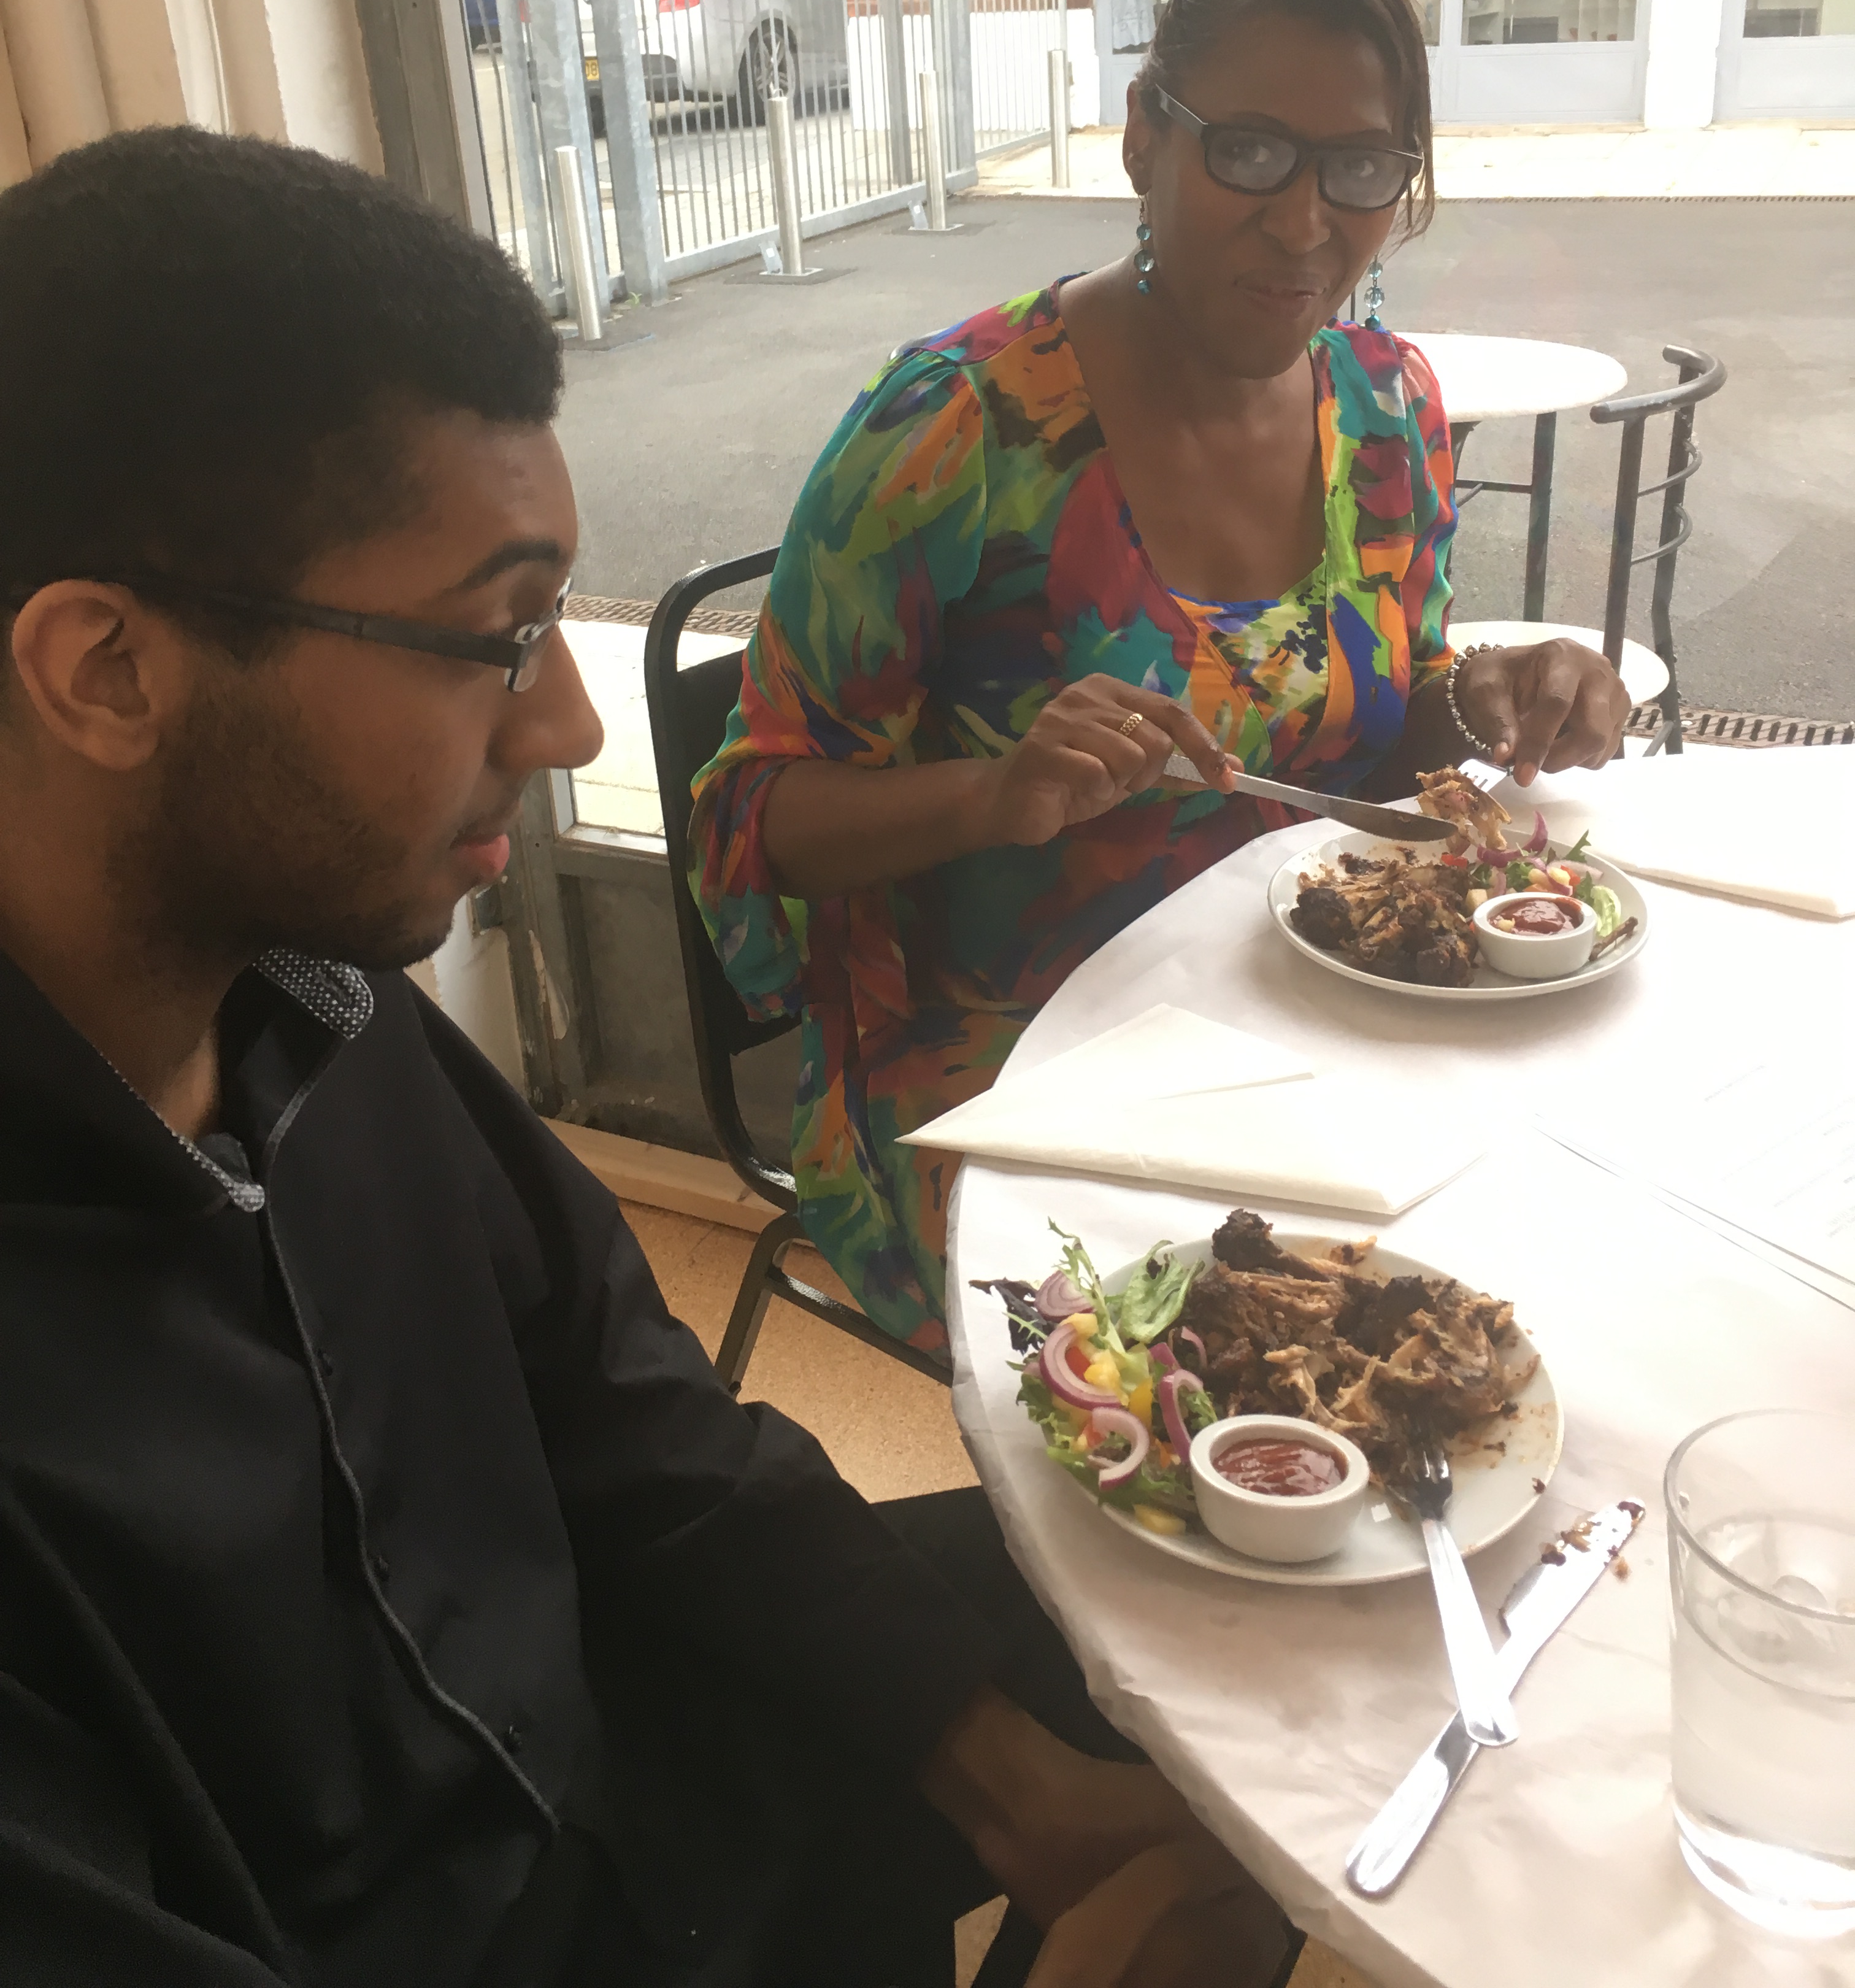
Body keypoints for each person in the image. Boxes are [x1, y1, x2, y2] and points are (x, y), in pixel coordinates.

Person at [0, 128, 1293, 1987]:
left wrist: (1016, 1789)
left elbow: (632, 1424)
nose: (569, 719)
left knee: (1221, 1633)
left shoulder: (325, 1012)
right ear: (108, 673)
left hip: (617, 1791)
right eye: (497, 634)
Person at [689, 0, 1630, 1356]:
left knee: (1550, 1285)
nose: (1306, 224)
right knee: (1285, 1377)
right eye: (1249, 150)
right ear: (1145, 135)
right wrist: (995, 795)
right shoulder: (960, 430)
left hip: (1306, 1037)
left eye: (1361, 167)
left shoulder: (1387, 408)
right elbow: (751, 819)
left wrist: (1488, 698)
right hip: (1006, 1091)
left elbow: (1378, 746)